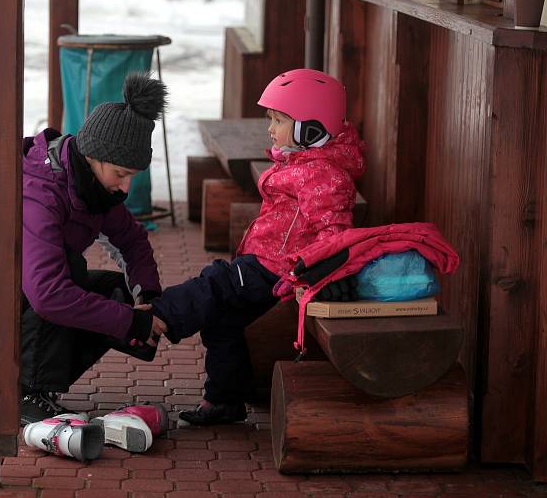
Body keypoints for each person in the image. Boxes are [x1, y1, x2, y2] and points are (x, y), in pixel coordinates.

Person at [146, 68, 366, 425]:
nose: (270, 128)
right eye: (271, 119)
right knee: (221, 320)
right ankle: (224, 400)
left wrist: (312, 276)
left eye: (278, 120)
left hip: (281, 271)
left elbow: (334, 231)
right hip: (265, 262)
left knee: (216, 283)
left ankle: (158, 318)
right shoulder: (304, 163)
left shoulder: (324, 175)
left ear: (310, 129)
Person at [20, 72, 169, 425]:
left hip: (30, 294)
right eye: (120, 173)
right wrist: (130, 322)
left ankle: (42, 386)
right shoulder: (43, 192)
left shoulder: (95, 187)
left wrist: (146, 297)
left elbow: (132, 240)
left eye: (133, 175)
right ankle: (25, 392)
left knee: (116, 293)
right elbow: (47, 294)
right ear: (94, 155)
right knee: (68, 279)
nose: (126, 186)